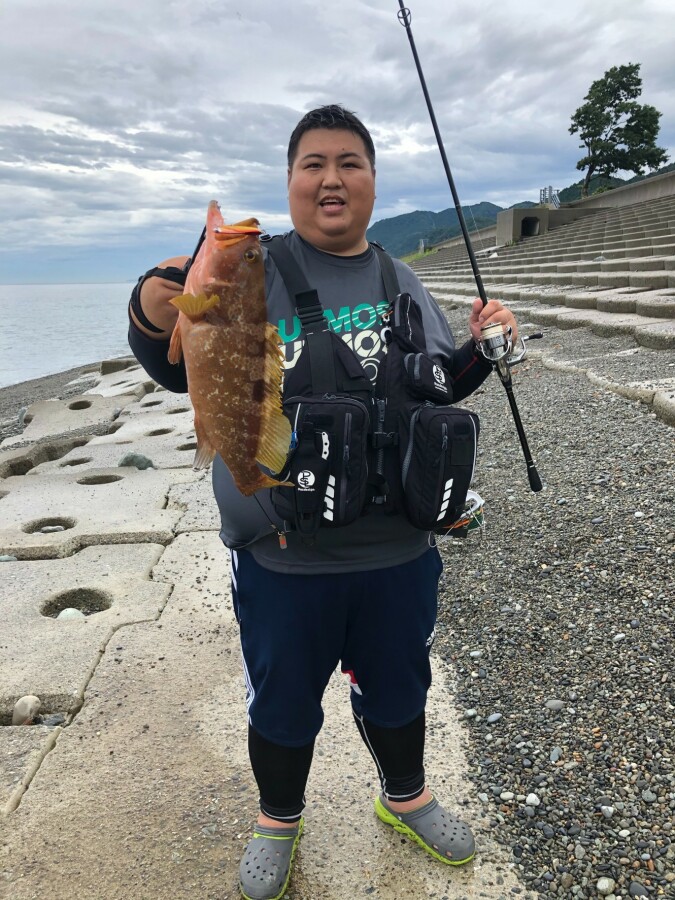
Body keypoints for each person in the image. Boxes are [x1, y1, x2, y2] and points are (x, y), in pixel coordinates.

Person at [128, 104, 518, 900]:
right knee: (280, 700)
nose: (331, 178)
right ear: (290, 182)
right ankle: (278, 818)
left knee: (402, 686)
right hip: (283, 554)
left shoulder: (400, 278)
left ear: (372, 181)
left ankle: (404, 795)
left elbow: (435, 386)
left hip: (397, 552)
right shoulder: (251, 267)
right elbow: (172, 361)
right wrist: (151, 299)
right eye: (313, 163)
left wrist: (482, 351)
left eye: (349, 162)